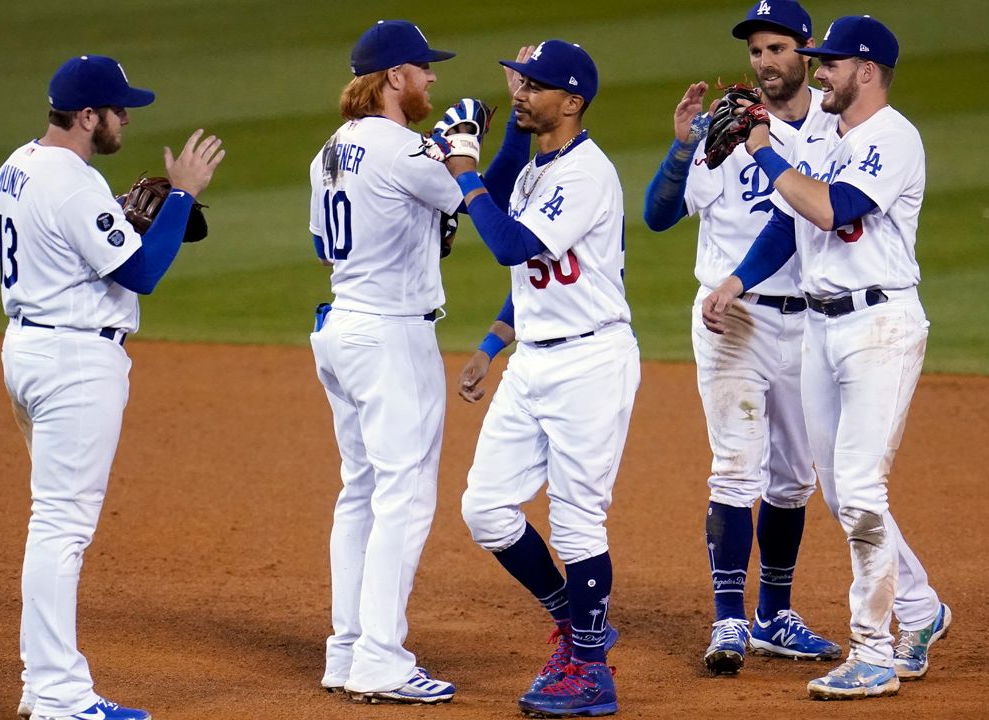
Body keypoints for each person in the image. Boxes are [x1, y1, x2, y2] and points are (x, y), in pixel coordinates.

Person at [702, 15, 952, 700]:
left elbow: (829, 209)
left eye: (830, 63)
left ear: (866, 71)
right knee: (839, 489)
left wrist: (761, 148)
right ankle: (922, 610)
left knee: (863, 487)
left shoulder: (890, 138)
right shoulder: (835, 141)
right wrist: (736, 280)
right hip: (823, 330)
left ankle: (872, 653)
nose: (818, 71)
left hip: (878, 326)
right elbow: (789, 219)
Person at [0, 55, 223, 720]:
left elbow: (76, 249)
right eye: (119, 110)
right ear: (88, 116)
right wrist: (180, 193)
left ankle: (43, 685)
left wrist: (114, 220)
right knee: (60, 527)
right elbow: (142, 273)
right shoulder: (74, 182)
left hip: (27, 350)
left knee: (52, 522)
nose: (127, 119)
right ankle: (61, 697)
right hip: (74, 363)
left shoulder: (18, 164)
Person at [641, 0, 842, 676]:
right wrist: (678, 147)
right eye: (756, 51)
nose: (764, 62)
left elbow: (799, 220)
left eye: (777, 49)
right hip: (734, 321)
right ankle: (729, 619)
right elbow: (659, 215)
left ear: (805, 52)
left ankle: (774, 615)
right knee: (736, 466)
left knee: (793, 480)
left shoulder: (835, 128)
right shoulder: (721, 130)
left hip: (810, 319)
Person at [440, 40, 639, 718]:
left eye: (536, 87)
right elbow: (522, 257)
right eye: (520, 84)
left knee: (578, 521)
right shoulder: (535, 169)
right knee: (486, 509)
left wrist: (463, 170)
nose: (520, 95)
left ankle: (591, 672)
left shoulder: (587, 174)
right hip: (534, 360)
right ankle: (574, 620)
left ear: (573, 101)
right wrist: (494, 343)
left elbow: (509, 244)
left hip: (590, 362)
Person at [307, 19, 462, 705]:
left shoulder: (328, 151)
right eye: (424, 69)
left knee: (362, 492)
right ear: (395, 77)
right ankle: (380, 658)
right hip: (393, 337)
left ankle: (347, 650)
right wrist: (466, 147)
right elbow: (473, 204)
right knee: (404, 496)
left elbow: (323, 248)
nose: (432, 79)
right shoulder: (407, 150)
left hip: (342, 327)